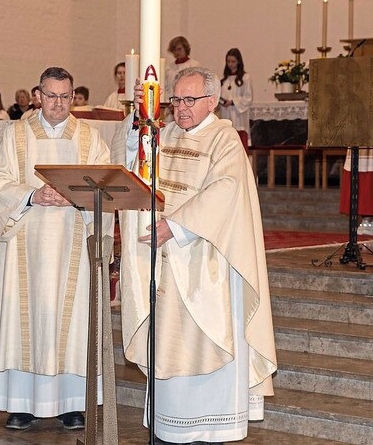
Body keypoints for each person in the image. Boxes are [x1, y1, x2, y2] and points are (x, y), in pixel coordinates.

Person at [112, 67, 277, 445]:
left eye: (190, 100)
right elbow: (132, 160)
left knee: (206, 354)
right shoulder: (164, 133)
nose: (181, 108)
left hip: (206, 267)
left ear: (212, 102)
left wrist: (178, 226)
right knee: (168, 347)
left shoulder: (224, 139)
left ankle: (211, 431)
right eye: (176, 100)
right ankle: (169, 430)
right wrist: (142, 115)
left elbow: (227, 189)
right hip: (166, 265)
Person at [0, 66, 113, 432]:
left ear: (73, 96)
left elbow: (107, 185)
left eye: (65, 96)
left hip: (72, 239)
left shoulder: (89, 139)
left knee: (71, 322)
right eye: (51, 96)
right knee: (27, 318)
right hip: (27, 239)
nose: (58, 104)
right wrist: (32, 194)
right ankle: (21, 404)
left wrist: (75, 196)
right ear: (38, 95)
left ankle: (72, 403)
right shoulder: (16, 134)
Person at [218, 48, 253, 142]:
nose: (230, 64)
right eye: (228, 61)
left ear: (238, 61)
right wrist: (221, 101)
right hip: (226, 114)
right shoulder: (223, 80)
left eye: (233, 61)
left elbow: (248, 98)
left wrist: (232, 102)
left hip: (239, 116)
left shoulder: (245, 78)